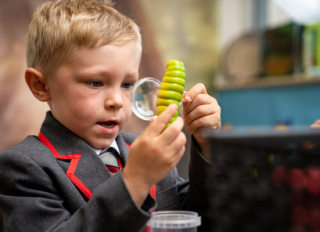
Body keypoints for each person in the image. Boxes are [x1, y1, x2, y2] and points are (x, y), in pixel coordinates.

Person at [0, 0, 221, 231]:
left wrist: (207, 147)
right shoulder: (23, 166)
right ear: (41, 86)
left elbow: (199, 219)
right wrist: (134, 180)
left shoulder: (143, 150)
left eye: (127, 84)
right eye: (95, 83)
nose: (116, 101)